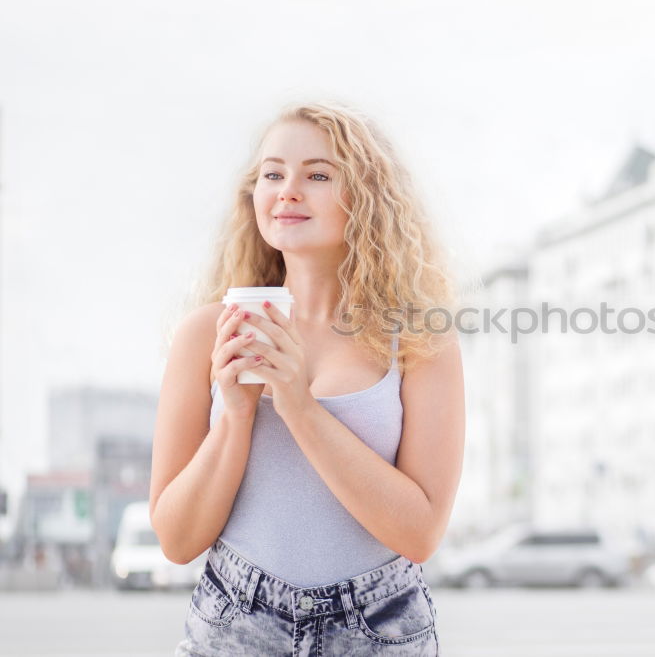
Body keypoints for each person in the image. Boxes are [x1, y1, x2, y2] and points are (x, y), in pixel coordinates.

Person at [149, 100, 465, 656]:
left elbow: (420, 533)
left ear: (368, 200)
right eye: (273, 174)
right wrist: (238, 413)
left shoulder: (420, 339)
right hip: (235, 620)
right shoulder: (205, 334)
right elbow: (177, 541)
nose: (288, 190)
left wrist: (297, 404)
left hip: (379, 625)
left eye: (317, 175)